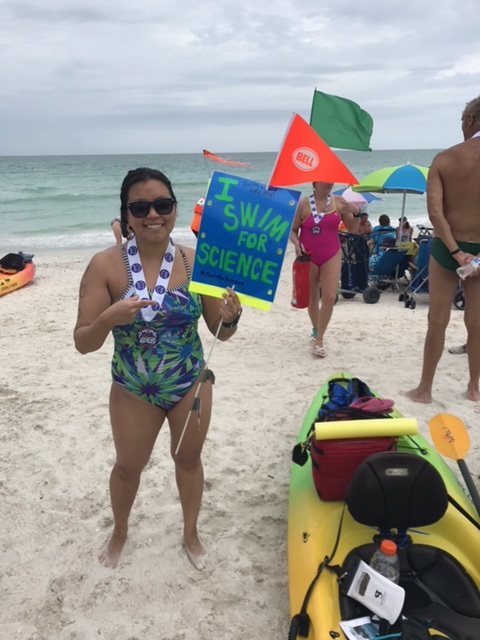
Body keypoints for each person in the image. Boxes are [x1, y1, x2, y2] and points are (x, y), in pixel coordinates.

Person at [74, 167, 242, 569]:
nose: (153, 214)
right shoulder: (105, 266)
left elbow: (220, 334)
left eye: (163, 205)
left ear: (174, 209)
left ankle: (190, 533)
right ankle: (120, 531)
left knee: (188, 460)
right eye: (141, 207)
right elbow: (83, 342)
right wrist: (108, 319)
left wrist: (232, 318)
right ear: (127, 215)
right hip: (133, 388)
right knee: (128, 468)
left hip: (190, 382)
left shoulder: (196, 260)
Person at [406, 96, 480, 403]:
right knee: (476, 322)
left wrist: (456, 252)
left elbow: (436, 213)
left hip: (447, 248)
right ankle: (474, 388)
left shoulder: (445, 159)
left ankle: (424, 389)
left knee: (437, 319)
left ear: (469, 120)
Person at [289, 181, 360, 357]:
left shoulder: (339, 201)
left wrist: (357, 212)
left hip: (331, 254)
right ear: (315, 182)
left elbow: (353, 229)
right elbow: (292, 230)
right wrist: (296, 244)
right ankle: (315, 329)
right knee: (313, 298)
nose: (329, 183)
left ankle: (319, 339)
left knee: (329, 297)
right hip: (309, 256)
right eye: (325, 180)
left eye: (331, 180)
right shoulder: (303, 204)